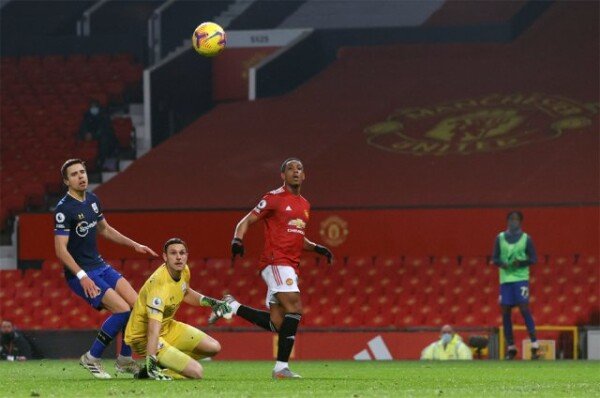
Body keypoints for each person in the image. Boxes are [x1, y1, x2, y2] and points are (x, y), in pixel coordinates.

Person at [210, 158, 334, 379]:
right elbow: (245, 221)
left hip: (290, 265)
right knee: (295, 307)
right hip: (276, 261)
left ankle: (232, 306)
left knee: (277, 323)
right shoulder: (274, 198)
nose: (295, 172)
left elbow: (296, 236)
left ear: (304, 176)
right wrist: (237, 240)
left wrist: (317, 248)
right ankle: (281, 368)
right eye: (290, 169)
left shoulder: (305, 204)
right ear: (282, 176)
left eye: (299, 169)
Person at [54, 158, 158, 378]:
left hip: (99, 265)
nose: (81, 176)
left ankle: (124, 359)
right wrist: (82, 276)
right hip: (80, 273)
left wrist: (135, 245)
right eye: (74, 174)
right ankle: (92, 357)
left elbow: (106, 230)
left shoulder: (93, 200)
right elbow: (61, 251)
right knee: (123, 310)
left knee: (137, 306)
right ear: (66, 181)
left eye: (82, 172)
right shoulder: (64, 209)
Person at [125, 238, 229, 380]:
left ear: (186, 255)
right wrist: (150, 360)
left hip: (167, 327)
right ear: (165, 257)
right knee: (197, 372)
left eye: (182, 253)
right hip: (144, 337)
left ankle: (163, 363)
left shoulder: (184, 270)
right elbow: (152, 329)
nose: (179, 257)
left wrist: (213, 303)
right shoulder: (159, 287)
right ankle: (152, 367)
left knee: (213, 347)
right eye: (173, 253)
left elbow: (185, 292)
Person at [492, 210, 539, 360]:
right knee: (505, 310)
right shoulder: (499, 238)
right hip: (506, 278)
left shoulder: (526, 238)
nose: (513, 222)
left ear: (520, 222)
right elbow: (495, 258)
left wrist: (521, 263)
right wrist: (502, 264)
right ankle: (511, 347)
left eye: (516, 219)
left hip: (520, 277)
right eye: (511, 219)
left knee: (523, 307)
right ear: (507, 221)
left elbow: (533, 259)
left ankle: (534, 343)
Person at [78, 100, 118, 170]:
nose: (93, 109)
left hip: (104, 137)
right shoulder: (87, 115)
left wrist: (93, 135)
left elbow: (105, 129)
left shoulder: (104, 116)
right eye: (92, 107)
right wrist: (86, 133)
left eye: (95, 107)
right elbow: (83, 126)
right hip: (91, 136)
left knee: (105, 141)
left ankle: (102, 162)